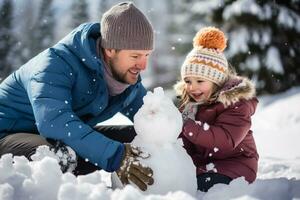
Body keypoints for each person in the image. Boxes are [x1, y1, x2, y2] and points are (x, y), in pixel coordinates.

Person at [0, 2, 154, 191]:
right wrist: (116, 156)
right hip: (7, 138)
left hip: (56, 138)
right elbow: (54, 122)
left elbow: (149, 117)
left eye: (147, 55)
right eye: (135, 56)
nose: (143, 65)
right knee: (56, 156)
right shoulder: (54, 64)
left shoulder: (125, 80)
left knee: (136, 135)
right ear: (110, 50)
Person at [174, 27, 259, 192]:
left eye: (200, 81)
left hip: (236, 165)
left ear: (217, 81)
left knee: (202, 186)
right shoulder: (191, 105)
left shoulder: (237, 104)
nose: (192, 87)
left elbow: (225, 139)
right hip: (205, 164)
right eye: (188, 81)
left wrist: (186, 126)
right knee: (179, 181)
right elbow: (182, 139)